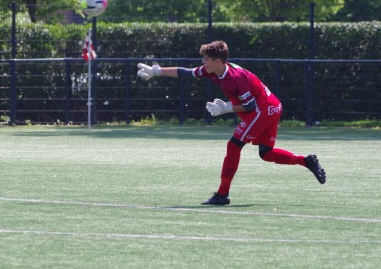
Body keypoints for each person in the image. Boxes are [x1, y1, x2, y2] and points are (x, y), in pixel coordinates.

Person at [137, 40, 326, 205]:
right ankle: (306, 161)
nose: (203, 62)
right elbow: (185, 72)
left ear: (217, 61)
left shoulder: (235, 78)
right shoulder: (213, 70)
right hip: (272, 107)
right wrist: (156, 71)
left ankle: (222, 194)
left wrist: (226, 108)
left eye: (206, 59)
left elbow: (250, 107)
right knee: (266, 153)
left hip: (262, 110)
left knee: (234, 145)